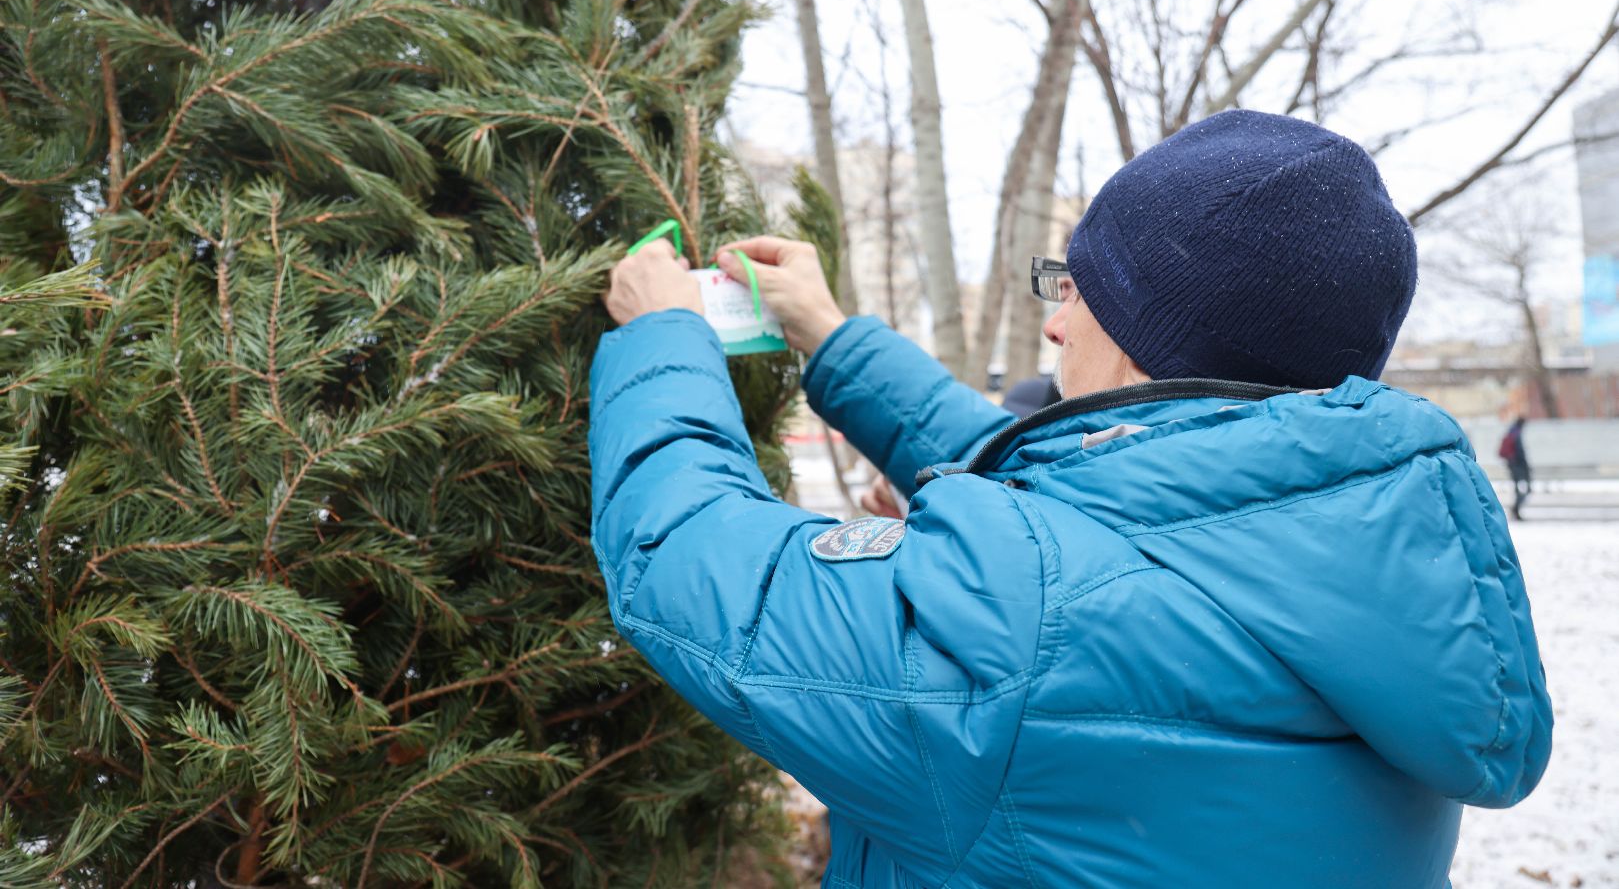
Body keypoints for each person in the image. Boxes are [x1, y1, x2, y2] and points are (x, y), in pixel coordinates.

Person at [589, 110, 1552, 888]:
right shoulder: (1384, 570)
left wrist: (663, 336)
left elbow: (683, 553)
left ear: (1153, 336)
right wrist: (835, 339)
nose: (1053, 323)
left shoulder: (1030, 625)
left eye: (1081, 288)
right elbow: (1092, 516)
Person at [1500, 415, 1532, 519]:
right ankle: (1516, 509)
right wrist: (1525, 465)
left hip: (1512, 464)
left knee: (1519, 488)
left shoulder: (1511, 431)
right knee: (1523, 488)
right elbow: (1519, 451)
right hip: (1517, 465)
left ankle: (1516, 509)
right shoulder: (1516, 433)